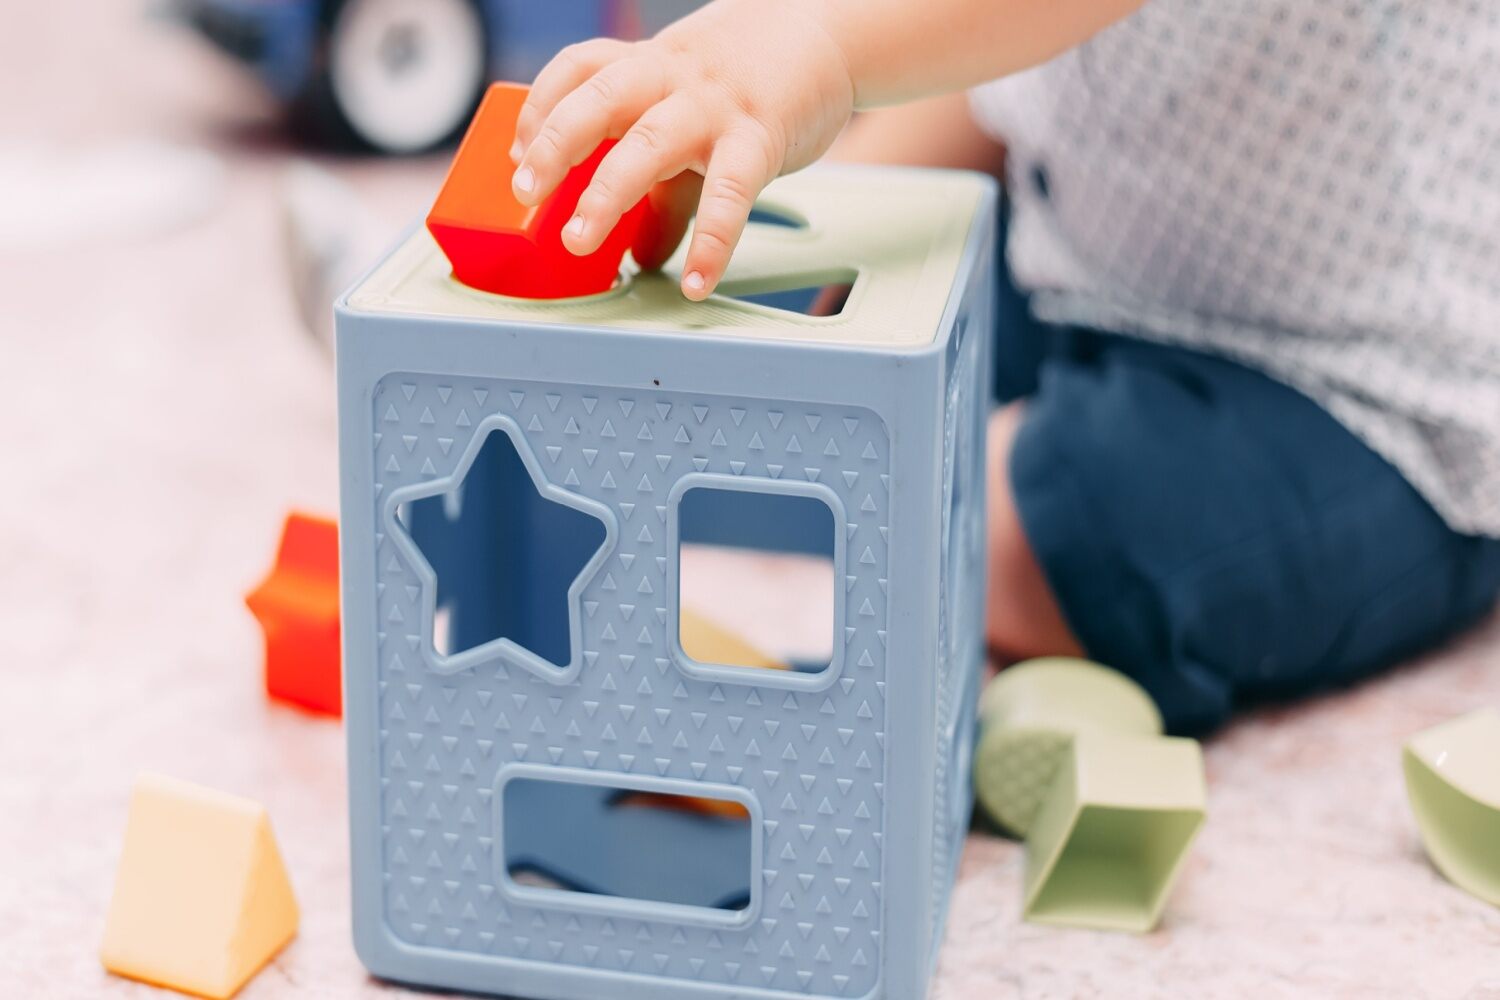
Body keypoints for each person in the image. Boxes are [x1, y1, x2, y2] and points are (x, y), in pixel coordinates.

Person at [508, 0, 1500, 732]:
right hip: (1090, 259)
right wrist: (813, 227)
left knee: (1049, 529)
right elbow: (1000, 74)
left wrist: (816, 43)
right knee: (817, 311)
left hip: (1364, 391)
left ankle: (941, 520)